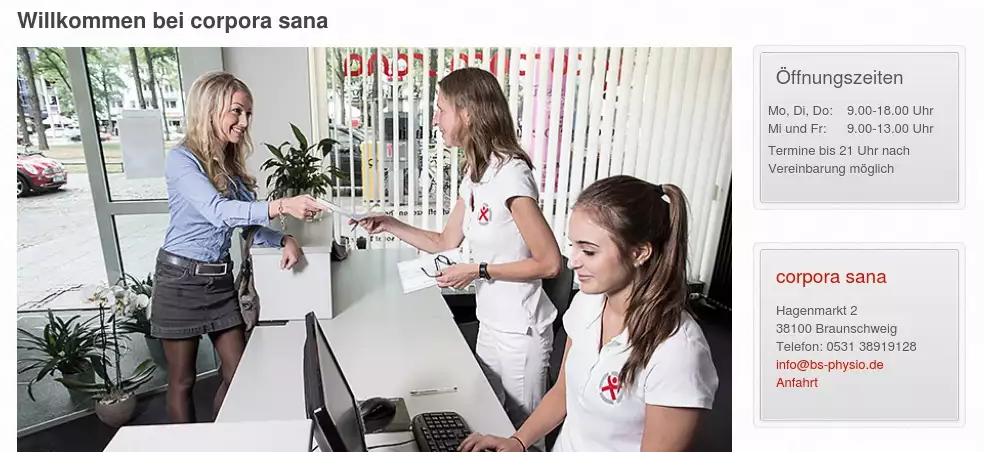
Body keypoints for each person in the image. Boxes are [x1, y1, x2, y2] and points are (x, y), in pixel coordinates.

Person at [356, 67, 563, 429]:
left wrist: (478, 270)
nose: (435, 119)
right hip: (491, 323)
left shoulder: (511, 175)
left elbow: (550, 263)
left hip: (520, 332)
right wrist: (389, 223)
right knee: (488, 422)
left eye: (441, 109)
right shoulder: (477, 174)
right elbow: (444, 242)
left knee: (523, 436)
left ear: (467, 113)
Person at [460, 175, 718, 452]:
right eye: (573, 246)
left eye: (589, 251)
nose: (573, 262)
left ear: (639, 253)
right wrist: (517, 441)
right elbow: (563, 391)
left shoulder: (678, 351)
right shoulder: (587, 302)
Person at [150, 71, 323, 423]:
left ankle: (221, 437)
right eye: (237, 111)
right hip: (180, 281)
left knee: (240, 373)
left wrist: (283, 238)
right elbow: (219, 212)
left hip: (218, 282)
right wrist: (281, 205)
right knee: (182, 381)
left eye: (248, 114)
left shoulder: (227, 165)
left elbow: (247, 225)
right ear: (210, 109)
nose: (244, 122)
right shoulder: (181, 160)